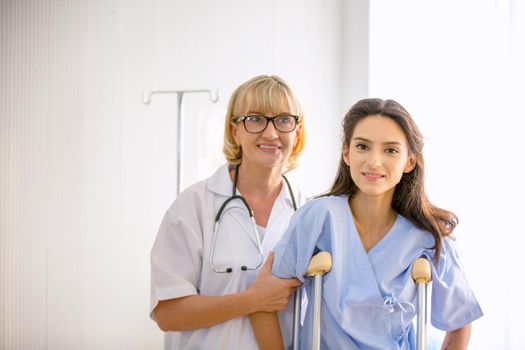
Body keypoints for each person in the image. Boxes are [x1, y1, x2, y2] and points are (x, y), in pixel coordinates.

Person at [264, 98, 483, 349]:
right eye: (362, 147)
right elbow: (267, 301)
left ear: (409, 161)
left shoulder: (427, 238)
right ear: (346, 153)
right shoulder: (319, 217)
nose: (374, 162)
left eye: (390, 150)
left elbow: (460, 321)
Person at [149, 75, 307, 350]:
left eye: (283, 120)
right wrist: (253, 300)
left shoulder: (307, 212)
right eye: (256, 119)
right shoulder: (194, 206)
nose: (271, 133)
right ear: (235, 130)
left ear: (297, 132)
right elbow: (167, 313)